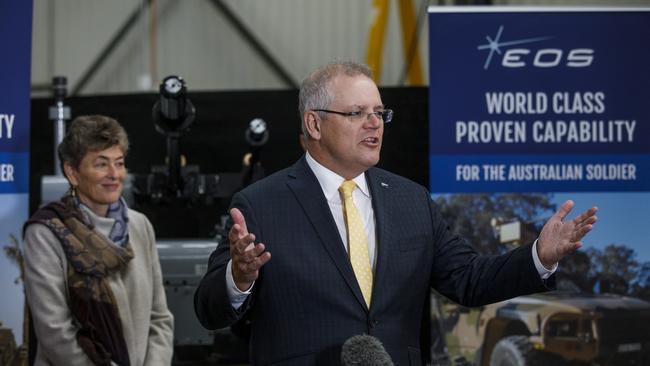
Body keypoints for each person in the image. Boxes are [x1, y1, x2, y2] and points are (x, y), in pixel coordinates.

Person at [194, 61, 597, 365]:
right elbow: (208, 309)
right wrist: (239, 277)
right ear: (314, 124)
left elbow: (469, 280)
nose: (375, 124)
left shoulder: (410, 201)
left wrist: (539, 256)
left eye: (380, 113)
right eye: (357, 113)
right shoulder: (261, 204)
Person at [23, 115, 174, 365]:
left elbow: (160, 318)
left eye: (119, 163)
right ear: (72, 172)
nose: (114, 174)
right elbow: (55, 334)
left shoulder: (140, 226)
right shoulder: (45, 233)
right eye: (101, 164)